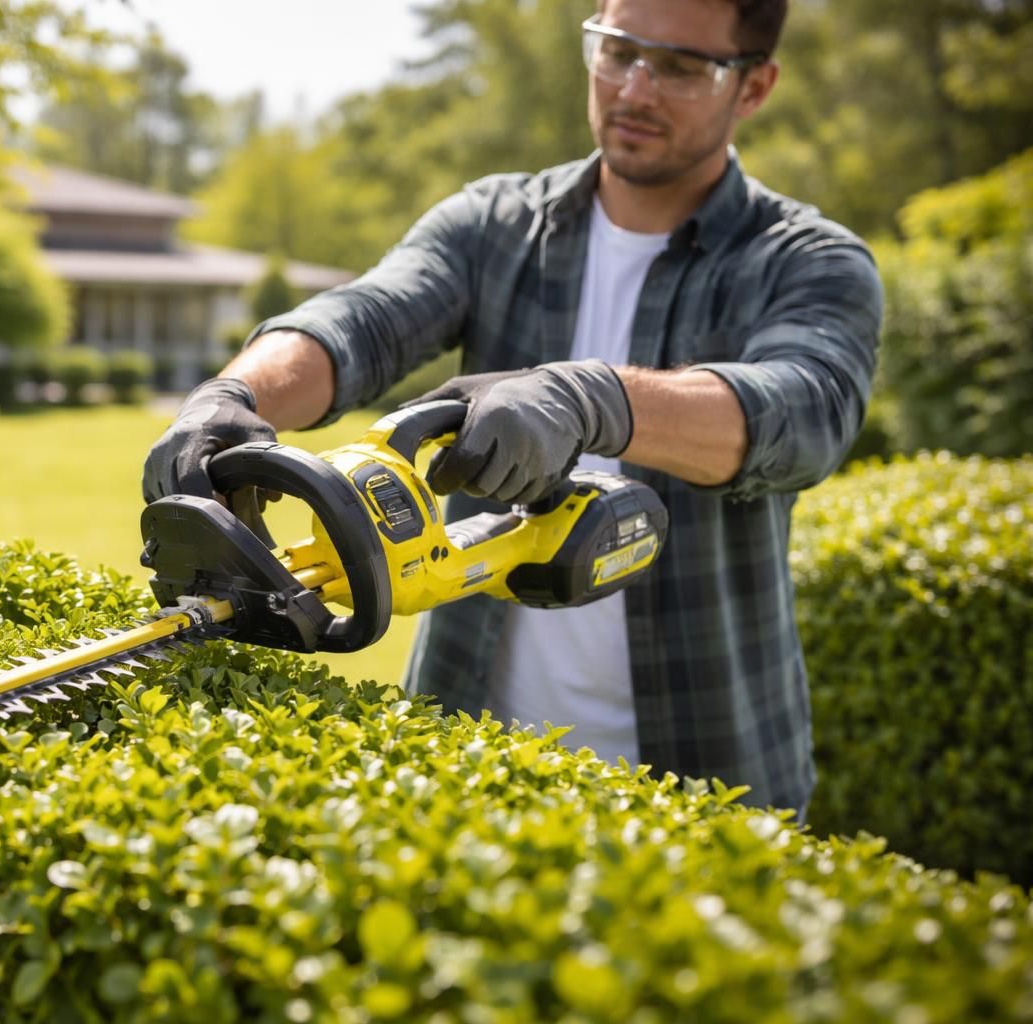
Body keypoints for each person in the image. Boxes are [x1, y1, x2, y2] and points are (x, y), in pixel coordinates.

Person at [141, 0, 881, 820]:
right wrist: (235, 396)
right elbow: (365, 319)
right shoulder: (496, 225)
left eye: (680, 67)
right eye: (618, 51)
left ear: (755, 86)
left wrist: (593, 398)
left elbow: (804, 410)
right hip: (472, 765)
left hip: (712, 775)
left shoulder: (807, 260)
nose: (635, 88)